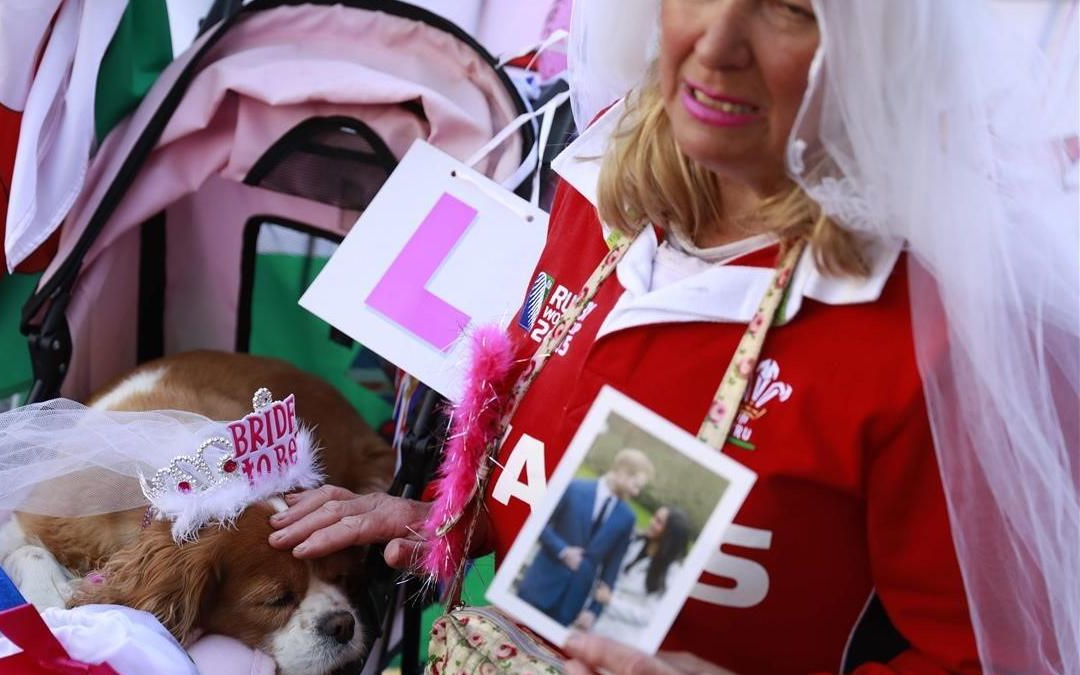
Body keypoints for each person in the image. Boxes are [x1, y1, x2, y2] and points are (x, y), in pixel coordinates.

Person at [268, 1, 1079, 673]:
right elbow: (619, 503)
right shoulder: (604, 187)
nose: (716, 44)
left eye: (788, 8)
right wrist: (454, 516)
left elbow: (1004, 656)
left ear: (883, 52)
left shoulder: (936, 342)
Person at [518, 449, 653, 629]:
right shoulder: (573, 488)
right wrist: (563, 551)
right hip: (538, 587)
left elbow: (612, 567)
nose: (636, 493)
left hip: (569, 607)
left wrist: (593, 610)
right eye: (635, 485)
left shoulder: (628, 518)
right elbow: (538, 524)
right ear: (622, 471)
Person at [590, 507, 690, 638]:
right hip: (597, 624)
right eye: (654, 517)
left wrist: (610, 601)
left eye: (658, 522)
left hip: (624, 637)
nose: (651, 522)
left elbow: (648, 615)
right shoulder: (635, 543)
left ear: (670, 534)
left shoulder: (672, 572)